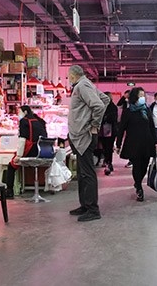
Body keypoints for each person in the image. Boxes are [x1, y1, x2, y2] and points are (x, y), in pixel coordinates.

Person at [67, 65, 109, 222]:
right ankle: (85, 204)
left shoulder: (82, 86)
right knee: (82, 173)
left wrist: (94, 124)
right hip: (80, 135)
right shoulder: (86, 84)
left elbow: (99, 105)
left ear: (72, 76)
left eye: (68, 77)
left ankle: (92, 209)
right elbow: (105, 99)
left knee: (87, 173)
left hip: (84, 136)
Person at [118, 87, 157, 201]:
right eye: (140, 95)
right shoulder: (128, 112)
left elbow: (152, 126)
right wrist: (118, 143)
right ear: (135, 97)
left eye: (143, 95)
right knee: (136, 165)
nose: (142, 98)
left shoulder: (146, 110)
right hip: (133, 143)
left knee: (144, 165)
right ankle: (139, 187)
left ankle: (138, 181)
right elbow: (121, 128)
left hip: (147, 142)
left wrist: (156, 142)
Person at [5, 105, 48, 198]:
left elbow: (22, 139)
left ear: (25, 112)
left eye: (19, 112)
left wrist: (19, 155)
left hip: (31, 150)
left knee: (11, 166)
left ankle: (9, 191)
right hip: (42, 151)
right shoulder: (40, 121)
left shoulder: (24, 121)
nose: (18, 114)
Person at [100, 92, 118, 176]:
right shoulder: (101, 106)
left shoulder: (113, 107)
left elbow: (113, 118)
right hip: (102, 130)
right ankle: (107, 161)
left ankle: (108, 162)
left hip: (111, 130)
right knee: (104, 147)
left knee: (109, 147)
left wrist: (105, 118)